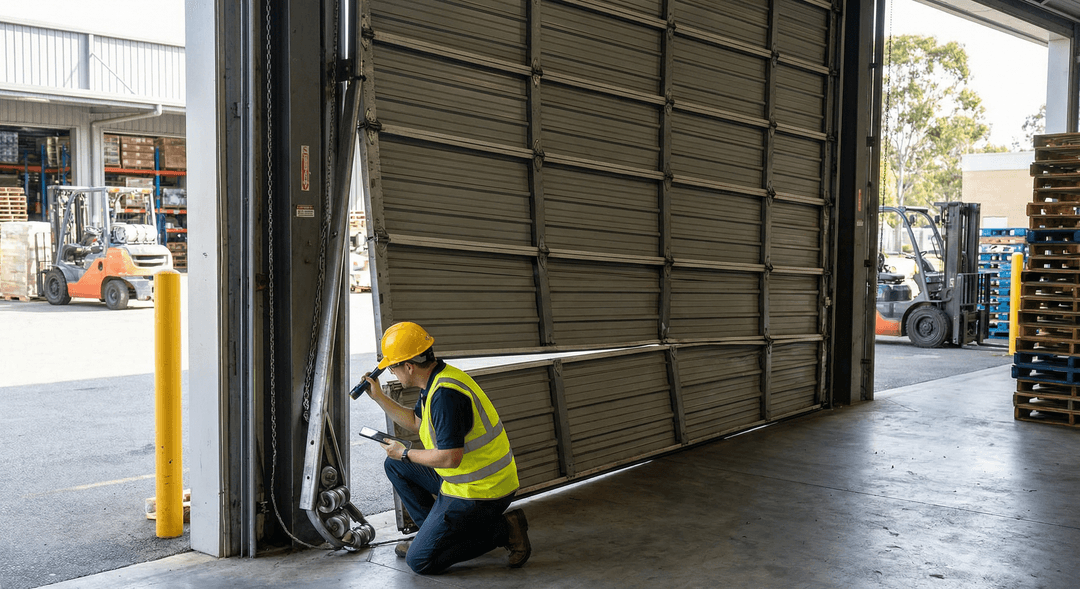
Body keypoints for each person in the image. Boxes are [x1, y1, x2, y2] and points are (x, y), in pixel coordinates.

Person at [362, 321, 531, 574]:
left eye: (393, 368)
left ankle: (504, 530)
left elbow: (450, 458)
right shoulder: (436, 379)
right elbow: (416, 423)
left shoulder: (445, 396)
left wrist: (405, 452)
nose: (393, 373)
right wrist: (379, 398)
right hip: (462, 480)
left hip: (480, 490)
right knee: (395, 465)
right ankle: (428, 537)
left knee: (419, 562)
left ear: (408, 366)